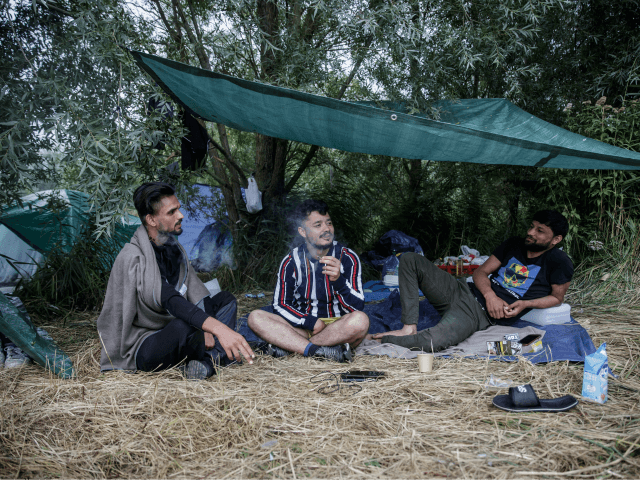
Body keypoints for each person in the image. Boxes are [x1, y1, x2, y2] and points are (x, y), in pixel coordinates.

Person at [97, 182, 254, 379]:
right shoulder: (134, 257)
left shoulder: (174, 248)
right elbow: (170, 299)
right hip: (143, 343)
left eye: (178, 208)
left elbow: (196, 290)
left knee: (225, 299)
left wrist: (207, 327)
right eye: (171, 212)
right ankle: (214, 359)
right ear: (151, 220)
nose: (180, 215)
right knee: (185, 326)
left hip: (173, 325)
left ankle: (205, 363)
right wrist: (216, 328)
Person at [370, 210, 573, 351]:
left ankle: (381, 341)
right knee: (409, 259)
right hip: (460, 289)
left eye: (540, 231)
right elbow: (479, 273)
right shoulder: (514, 244)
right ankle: (408, 326)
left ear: (556, 239)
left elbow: (557, 298)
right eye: (532, 227)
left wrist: (526, 304)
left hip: (477, 313)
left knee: (431, 342)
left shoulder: (559, 262)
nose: (530, 233)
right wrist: (490, 295)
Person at [248, 200, 369, 362]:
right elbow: (280, 304)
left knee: (361, 320)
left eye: (329, 223)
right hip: (303, 327)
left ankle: (298, 348)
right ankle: (322, 351)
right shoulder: (291, 261)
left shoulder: (348, 258)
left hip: (338, 328)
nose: (327, 229)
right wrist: (310, 321)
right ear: (303, 231)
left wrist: (339, 281)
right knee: (255, 317)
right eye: (318, 225)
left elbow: (358, 306)